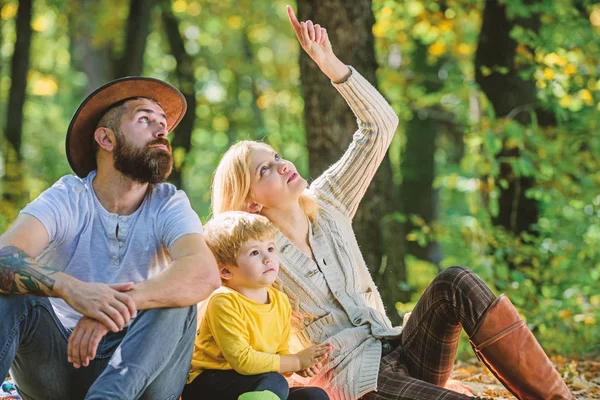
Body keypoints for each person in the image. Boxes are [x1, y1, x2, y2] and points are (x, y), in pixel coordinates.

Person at [209, 6, 574, 400]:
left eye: (278, 157)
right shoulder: (251, 259)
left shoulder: (328, 201)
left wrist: (329, 63)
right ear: (250, 206)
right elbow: (224, 312)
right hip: (354, 379)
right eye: (265, 170)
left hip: (399, 345)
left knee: (455, 280)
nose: (282, 167)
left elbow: (380, 125)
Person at [0, 77, 221, 399]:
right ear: (106, 138)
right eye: (145, 119)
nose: (161, 131)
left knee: (176, 297)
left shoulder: (168, 202)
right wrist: (73, 290)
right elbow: (4, 255)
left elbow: (204, 273)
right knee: (10, 285)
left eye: (163, 124)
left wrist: (112, 308)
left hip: (138, 372)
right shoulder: (68, 196)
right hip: (56, 366)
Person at [183, 211, 331, 400]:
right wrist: (294, 361)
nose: (267, 258)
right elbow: (242, 361)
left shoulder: (280, 301)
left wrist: (299, 366)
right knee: (274, 381)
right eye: (254, 252)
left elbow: (280, 353)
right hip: (209, 385)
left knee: (314, 395)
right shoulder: (224, 301)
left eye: (270, 248)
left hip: (254, 382)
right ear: (226, 270)